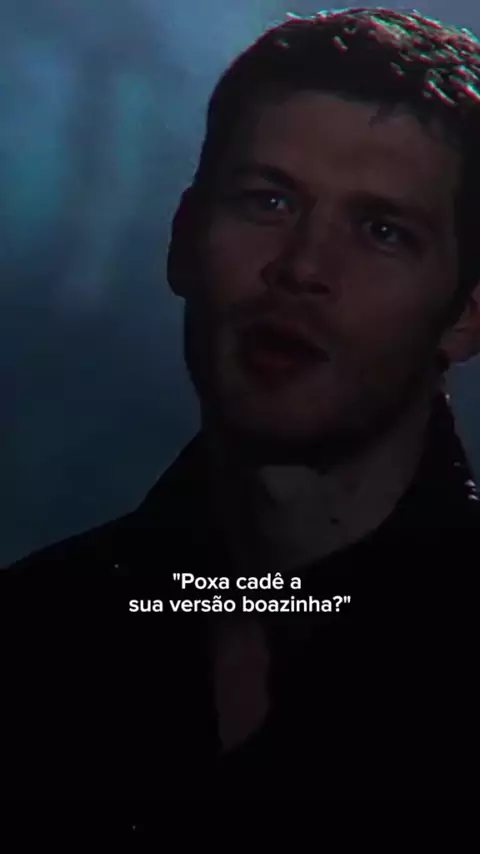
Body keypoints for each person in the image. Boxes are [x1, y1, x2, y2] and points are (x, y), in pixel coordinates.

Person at [2, 6, 480, 800]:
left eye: (382, 230)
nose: (302, 267)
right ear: (184, 236)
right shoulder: (31, 637)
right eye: (269, 202)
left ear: (468, 312)